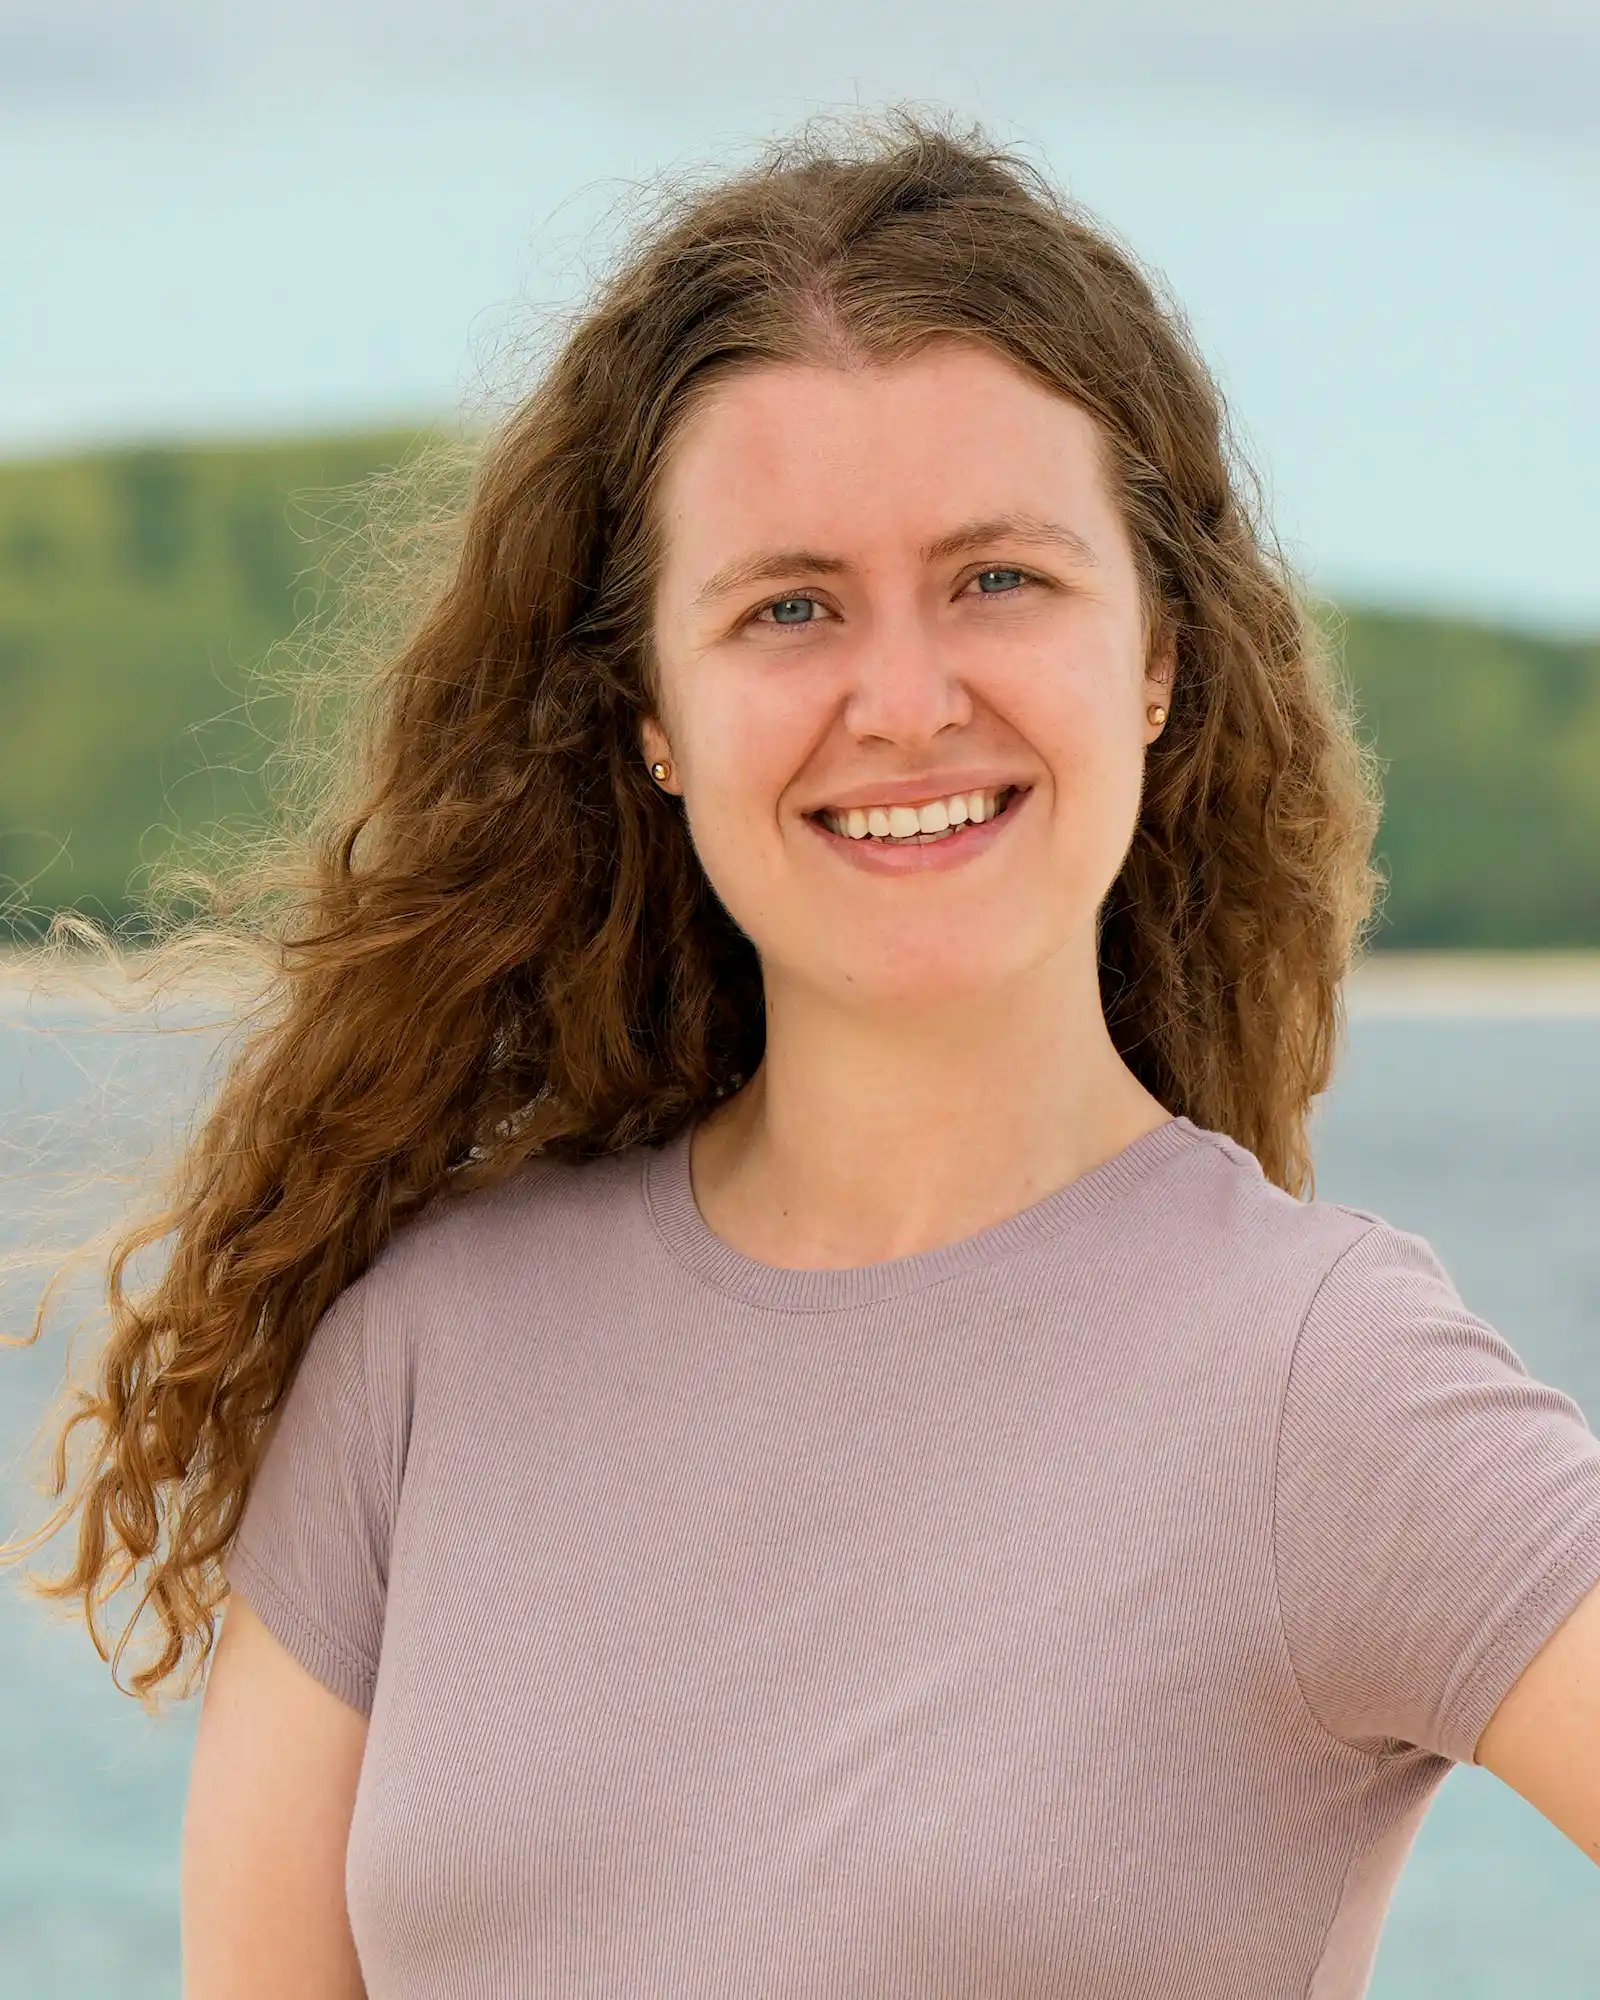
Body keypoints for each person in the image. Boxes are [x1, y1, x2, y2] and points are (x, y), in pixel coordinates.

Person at [17, 114, 1600, 1997]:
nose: (906, 701)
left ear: (1158, 661)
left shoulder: (1318, 1382)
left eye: (999, 578)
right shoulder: (422, 1355)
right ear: (655, 716)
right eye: (790, 607)